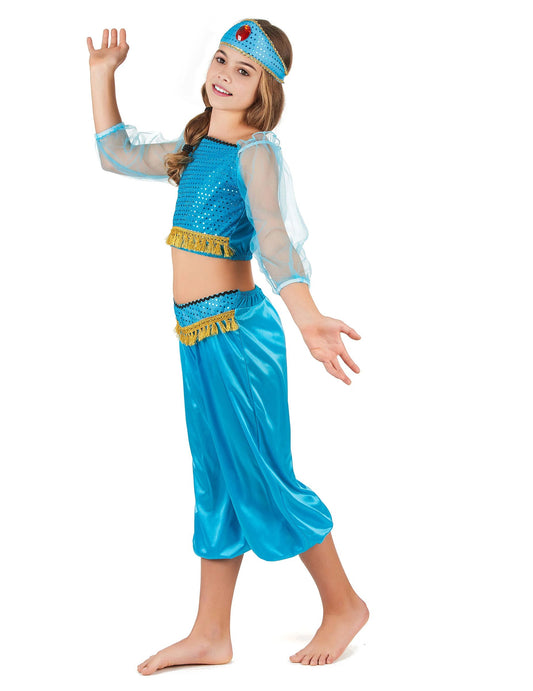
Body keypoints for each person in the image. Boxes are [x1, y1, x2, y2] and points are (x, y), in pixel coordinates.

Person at [87, 18, 369, 671]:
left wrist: (307, 317)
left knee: (262, 473)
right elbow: (115, 153)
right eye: (221, 59)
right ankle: (211, 632)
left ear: (265, 88)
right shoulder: (195, 149)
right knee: (215, 479)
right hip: (196, 335)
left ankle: (344, 603)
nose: (225, 75)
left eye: (244, 70)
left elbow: (275, 240)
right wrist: (102, 77)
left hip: (239, 337)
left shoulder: (255, 153)